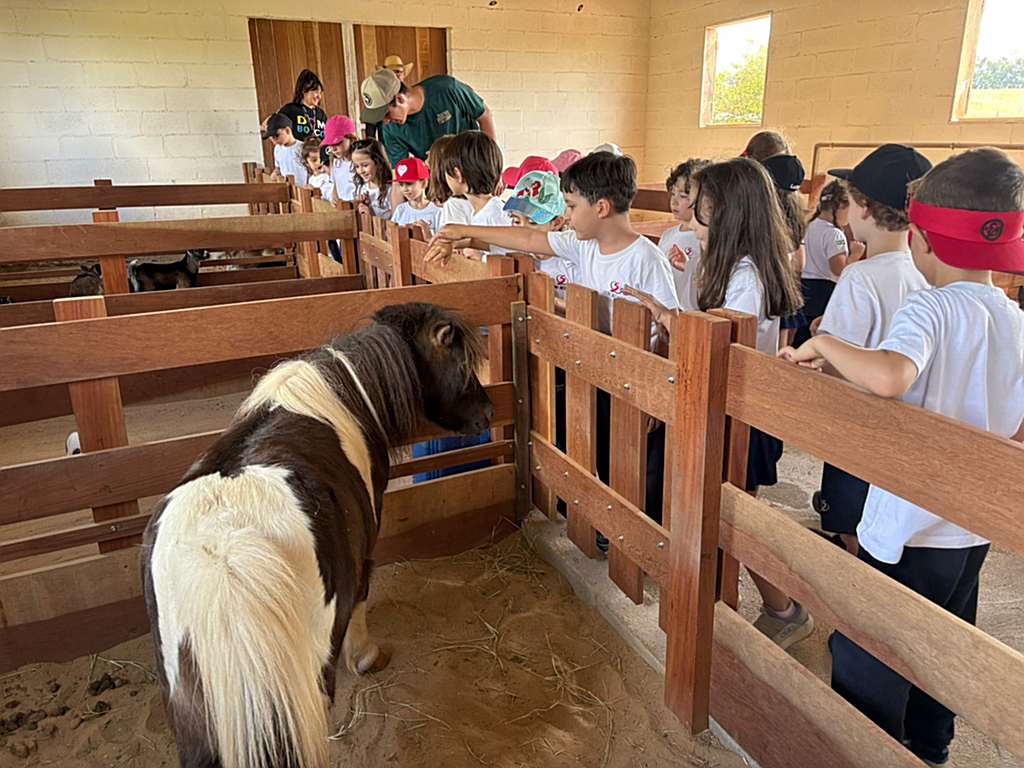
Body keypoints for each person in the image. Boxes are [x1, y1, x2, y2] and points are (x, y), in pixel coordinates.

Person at [779, 147, 1024, 767]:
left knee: (874, 645)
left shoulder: (932, 306)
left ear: (921, 238)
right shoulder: (1014, 318)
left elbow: (891, 375)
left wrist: (823, 344)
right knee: (947, 638)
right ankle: (931, 745)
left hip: (908, 526)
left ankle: (863, 750)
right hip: (970, 527)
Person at [428, 151, 680, 526]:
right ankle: (604, 527)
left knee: (640, 467)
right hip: (597, 375)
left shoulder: (646, 260)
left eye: (572, 206)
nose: (568, 214)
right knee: (602, 453)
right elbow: (530, 237)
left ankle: (641, 533)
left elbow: (673, 330)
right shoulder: (584, 246)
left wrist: (658, 397)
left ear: (601, 208)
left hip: (638, 385)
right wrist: (462, 232)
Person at [626, 158, 809, 646]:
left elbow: (721, 345)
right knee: (726, 515)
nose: (691, 217)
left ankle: (784, 608)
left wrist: (668, 318)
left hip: (742, 417)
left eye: (702, 208)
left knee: (735, 519)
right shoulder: (733, 267)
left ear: (728, 215)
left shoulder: (746, 277)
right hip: (730, 409)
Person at [812, 144, 932, 554]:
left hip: (856, 423)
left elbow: (833, 361)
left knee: (852, 525)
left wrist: (820, 346)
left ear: (863, 208)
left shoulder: (859, 277)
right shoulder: (924, 273)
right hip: (906, 429)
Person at [360, 68, 495, 163]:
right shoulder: (390, 129)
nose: (386, 121)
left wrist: (491, 163)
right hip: (437, 180)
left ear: (400, 99)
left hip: (471, 165)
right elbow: (400, 175)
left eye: (387, 114)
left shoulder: (447, 88)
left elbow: (484, 115)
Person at [793, 180, 860, 348]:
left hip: (803, 288)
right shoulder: (835, 235)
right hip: (822, 293)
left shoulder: (808, 226)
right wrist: (855, 255)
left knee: (799, 340)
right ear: (841, 207)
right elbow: (838, 269)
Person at [436, 131, 511, 258]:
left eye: (446, 172)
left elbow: (511, 258)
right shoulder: (483, 210)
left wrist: (480, 258)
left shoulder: (495, 214)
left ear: (458, 174)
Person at [658, 158, 710, 310]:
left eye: (683, 196)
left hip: (694, 313)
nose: (674, 201)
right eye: (673, 194)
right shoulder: (667, 235)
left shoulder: (705, 238)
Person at [363, 55, 416, 141]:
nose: (395, 76)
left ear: (403, 74)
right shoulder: (377, 99)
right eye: (390, 73)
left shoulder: (412, 97)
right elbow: (370, 134)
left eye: (398, 72)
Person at [268, 69, 327, 143]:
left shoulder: (321, 114)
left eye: (320, 92)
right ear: (304, 90)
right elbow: (269, 127)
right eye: (315, 92)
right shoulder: (289, 110)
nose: (319, 96)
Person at [391, 157, 442, 232]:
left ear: (424, 183)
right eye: (401, 184)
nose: (404, 189)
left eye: (409, 183)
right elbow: (392, 234)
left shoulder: (437, 211)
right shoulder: (400, 210)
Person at [350, 138, 392, 219]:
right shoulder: (361, 188)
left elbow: (393, 218)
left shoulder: (390, 190)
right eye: (357, 166)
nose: (361, 171)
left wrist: (371, 214)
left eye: (365, 165)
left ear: (378, 162)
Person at [321, 115, 358, 203]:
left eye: (337, 143)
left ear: (351, 138)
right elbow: (335, 184)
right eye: (330, 144)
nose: (333, 149)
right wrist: (334, 197)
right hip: (342, 206)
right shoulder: (336, 162)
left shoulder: (360, 163)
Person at [265, 113, 307, 187]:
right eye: (272, 138)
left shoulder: (302, 148)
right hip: (287, 188)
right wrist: (275, 173)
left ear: (287, 130)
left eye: (277, 136)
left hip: (304, 189)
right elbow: (278, 168)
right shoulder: (277, 149)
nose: (274, 141)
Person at [300, 138, 334, 202]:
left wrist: (315, 191)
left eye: (322, 158)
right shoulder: (311, 179)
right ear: (307, 163)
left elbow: (330, 193)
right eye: (314, 160)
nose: (319, 162)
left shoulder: (328, 175)